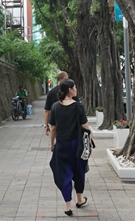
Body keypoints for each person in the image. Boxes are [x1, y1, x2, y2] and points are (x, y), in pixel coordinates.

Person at [49, 79, 90, 216]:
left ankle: (68, 206)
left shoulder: (55, 106)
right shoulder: (78, 106)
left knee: (64, 174)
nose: (76, 89)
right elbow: (85, 127)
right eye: (75, 87)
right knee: (79, 170)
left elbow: (53, 128)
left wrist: (52, 143)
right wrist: (89, 144)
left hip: (61, 144)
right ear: (70, 90)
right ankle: (79, 199)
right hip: (76, 144)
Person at [44, 71, 68, 135]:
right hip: (69, 121)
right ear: (64, 77)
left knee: (58, 141)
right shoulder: (69, 91)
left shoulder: (51, 92)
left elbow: (47, 111)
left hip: (55, 122)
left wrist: (46, 126)